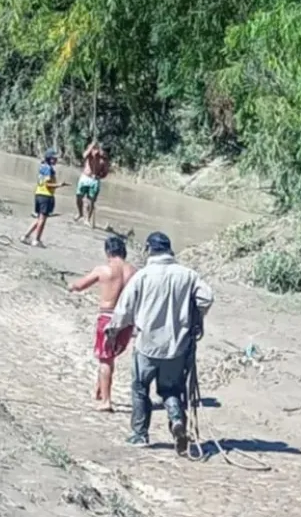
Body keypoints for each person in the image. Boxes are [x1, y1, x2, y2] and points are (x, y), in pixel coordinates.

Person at [104, 232, 214, 455]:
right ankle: (176, 421)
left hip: (147, 345)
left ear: (149, 250)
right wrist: (194, 318)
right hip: (177, 347)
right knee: (171, 389)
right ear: (169, 250)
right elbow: (206, 298)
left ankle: (139, 435)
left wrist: (113, 330)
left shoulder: (143, 276)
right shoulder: (188, 275)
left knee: (140, 389)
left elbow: (124, 309)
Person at [67, 235, 138, 412]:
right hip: (127, 319)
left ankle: (106, 400)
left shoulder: (103, 269)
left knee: (105, 359)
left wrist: (71, 286)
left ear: (108, 252)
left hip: (107, 317)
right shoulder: (134, 271)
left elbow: (81, 285)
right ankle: (100, 390)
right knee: (111, 356)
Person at [21, 148, 66, 247]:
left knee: (39, 218)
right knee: (42, 219)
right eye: (54, 158)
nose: (56, 160)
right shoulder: (48, 169)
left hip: (39, 194)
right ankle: (36, 240)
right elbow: (48, 184)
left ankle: (26, 236)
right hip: (46, 195)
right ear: (50, 158)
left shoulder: (42, 166)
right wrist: (60, 185)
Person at [74, 141, 111, 229]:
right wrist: (91, 146)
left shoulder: (105, 160)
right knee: (79, 197)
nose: (102, 153)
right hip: (85, 177)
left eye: (105, 153)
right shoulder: (92, 152)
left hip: (95, 181)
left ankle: (87, 219)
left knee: (91, 201)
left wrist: (99, 175)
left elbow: (105, 173)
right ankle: (80, 213)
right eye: (102, 151)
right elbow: (84, 156)